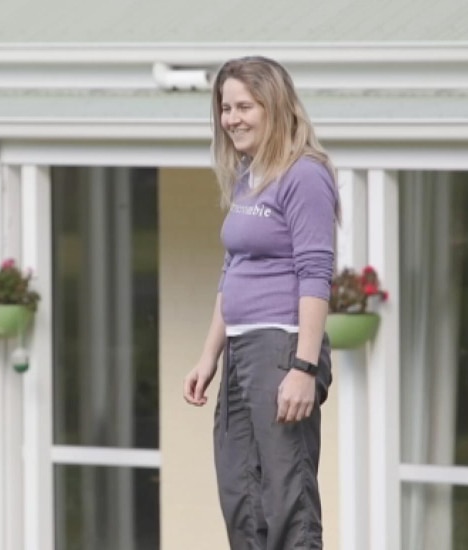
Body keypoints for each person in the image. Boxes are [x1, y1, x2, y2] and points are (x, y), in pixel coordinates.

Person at [183, 56, 337, 550]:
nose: (232, 119)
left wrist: (303, 367)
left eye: (244, 106)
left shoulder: (304, 175)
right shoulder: (249, 175)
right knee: (241, 495)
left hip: (282, 347)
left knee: (286, 497)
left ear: (275, 106)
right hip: (241, 351)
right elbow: (234, 269)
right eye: (226, 108)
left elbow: (315, 274)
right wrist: (209, 355)